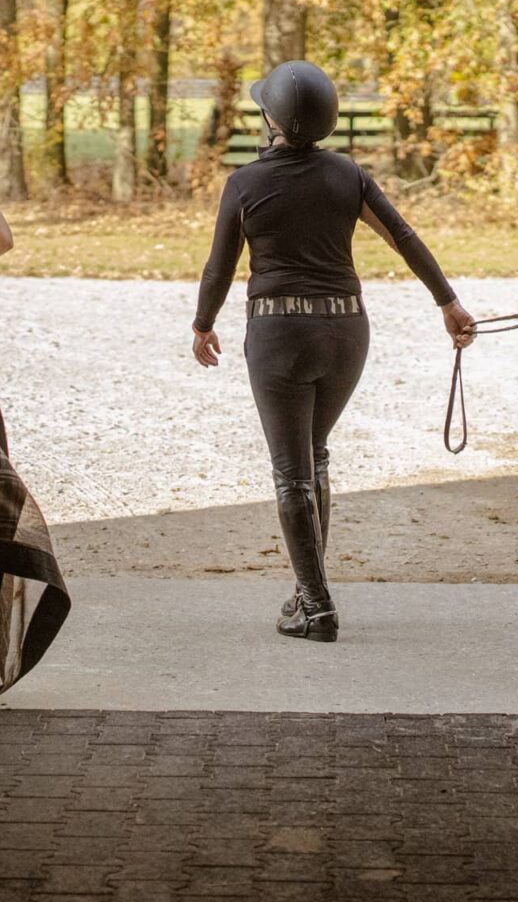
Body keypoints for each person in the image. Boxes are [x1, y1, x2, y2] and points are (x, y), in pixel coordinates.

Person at [191, 61, 476, 642]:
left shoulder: (244, 185)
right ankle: (306, 592)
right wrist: (448, 302)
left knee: (291, 471)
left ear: (270, 119)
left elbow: (220, 266)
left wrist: (203, 324)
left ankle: (317, 606)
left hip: (278, 335)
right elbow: (403, 236)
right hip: (347, 333)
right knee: (314, 456)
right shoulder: (348, 175)